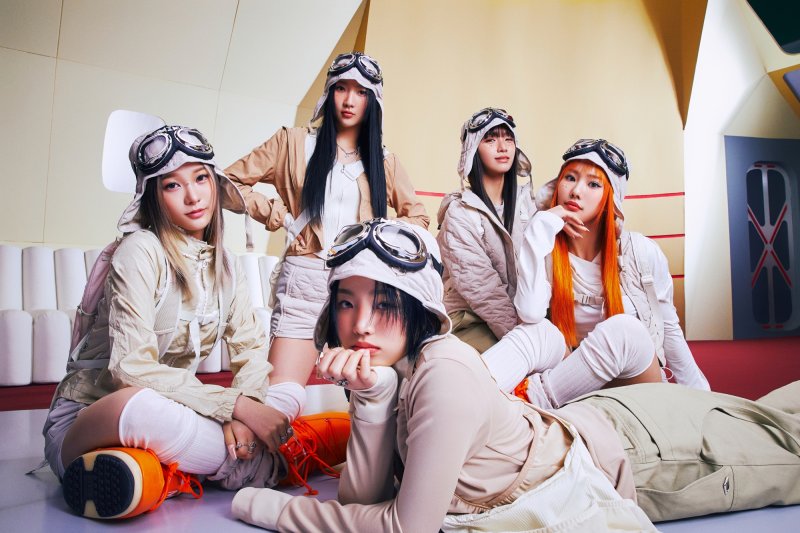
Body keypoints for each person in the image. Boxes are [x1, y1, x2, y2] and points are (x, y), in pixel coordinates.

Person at [229, 218, 800, 532]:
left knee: (788, 438)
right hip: (587, 429)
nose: (360, 324)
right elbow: (364, 498)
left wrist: (267, 507)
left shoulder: (442, 372)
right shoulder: (395, 370)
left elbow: (407, 528)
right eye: (346, 302)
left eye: (383, 302)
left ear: (416, 306)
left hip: (640, 453)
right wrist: (373, 400)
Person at [42, 125, 348, 520]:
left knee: (286, 390)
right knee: (141, 406)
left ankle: (165, 473)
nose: (193, 196)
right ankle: (274, 461)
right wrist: (235, 406)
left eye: (201, 178)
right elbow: (130, 370)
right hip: (96, 415)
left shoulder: (226, 264)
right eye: (173, 185)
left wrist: (247, 409)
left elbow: (251, 353)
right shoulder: (140, 251)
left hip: (181, 407)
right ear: (154, 196)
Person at [225, 52, 429, 424]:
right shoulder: (292, 143)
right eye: (341, 88)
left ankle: (367, 456)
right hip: (305, 279)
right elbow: (227, 183)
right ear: (328, 93)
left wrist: (380, 243)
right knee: (281, 396)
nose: (349, 100)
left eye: (361, 92)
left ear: (373, 100)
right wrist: (277, 215)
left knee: (377, 396)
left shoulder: (385, 161)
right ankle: (251, 453)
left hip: (363, 288)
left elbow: (418, 217)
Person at [482, 138, 710, 408]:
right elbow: (530, 314)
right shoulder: (545, 248)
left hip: (634, 387)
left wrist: (701, 402)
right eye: (570, 178)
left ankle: (527, 403)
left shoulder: (641, 252)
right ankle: (469, 393)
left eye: (593, 184)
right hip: (574, 384)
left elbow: (670, 331)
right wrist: (538, 228)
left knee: (625, 330)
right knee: (537, 331)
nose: (576, 191)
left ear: (610, 197)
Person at [436, 107, 535, 353]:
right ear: (472, 151)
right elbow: (483, 290)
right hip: (469, 319)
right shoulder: (459, 214)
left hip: (522, 317)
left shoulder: (527, 205)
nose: (502, 147)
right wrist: (527, 343)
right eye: (490, 140)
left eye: (508, 139)